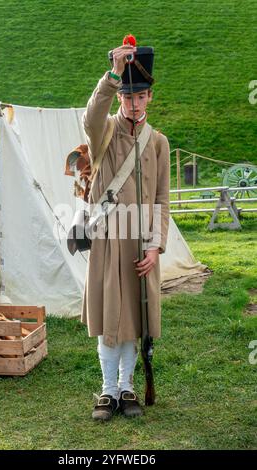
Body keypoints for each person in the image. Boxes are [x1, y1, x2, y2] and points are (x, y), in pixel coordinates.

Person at [81, 42, 170, 421]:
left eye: (140, 95)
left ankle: (128, 386)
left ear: (150, 97)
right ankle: (107, 390)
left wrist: (156, 247)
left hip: (140, 244)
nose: (133, 103)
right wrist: (112, 78)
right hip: (106, 240)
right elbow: (91, 118)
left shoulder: (160, 143)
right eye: (127, 95)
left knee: (134, 319)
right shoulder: (104, 133)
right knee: (108, 317)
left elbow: (162, 201)